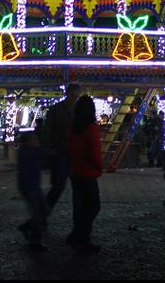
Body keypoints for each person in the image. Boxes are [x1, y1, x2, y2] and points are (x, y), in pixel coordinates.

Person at [37, 83, 83, 217]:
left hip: (73, 153)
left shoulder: (78, 111)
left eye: (77, 96)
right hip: (60, 152)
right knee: (58, 186)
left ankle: (41, 216)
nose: (75, 99)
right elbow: (47, 131)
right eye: (73, 96)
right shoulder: (56, 110)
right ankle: (41, 215)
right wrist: (48, 148)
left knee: (75, 188)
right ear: (67, 94)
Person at [67, 95, 103, 253]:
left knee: (79, 205)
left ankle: (78, 235)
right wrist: (99, 167)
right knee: (94, 206)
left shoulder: (74, 127)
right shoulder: (91, 128)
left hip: (75, 171)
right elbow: (94, 151)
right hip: (88, 172)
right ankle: (81, 235)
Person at [17, 132, 47, 250]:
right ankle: (35, 241)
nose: (36, 141)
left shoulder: (28, 151)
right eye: (33, 139)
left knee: (43, 211)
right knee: (39, 213)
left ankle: (26, 227)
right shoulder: (28, 153)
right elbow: (42, 155)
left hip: (34, 187)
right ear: (27, 142)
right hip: (29, 188)